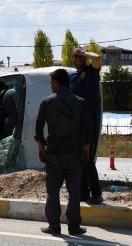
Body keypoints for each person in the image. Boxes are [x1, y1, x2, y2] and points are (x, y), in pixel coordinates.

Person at [35, 69, 92, 236]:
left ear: (56, 83)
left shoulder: (47, 102)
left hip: (54, 154)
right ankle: (74, 227)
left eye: (52, 82)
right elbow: (89, 127)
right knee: (74, 192)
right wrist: (86, 149)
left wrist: (41, 148)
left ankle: (54, 226)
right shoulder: (80, 102)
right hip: (74, 154)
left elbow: (38, 127)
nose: (51, 86)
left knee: (53, 192)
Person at [69, 46, 104, 204]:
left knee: (87, 157)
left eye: (80, 56)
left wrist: (83, 51)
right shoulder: (72, 78)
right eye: (75, 57)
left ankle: (96, 192)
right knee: (78, 158)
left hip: (90, 123)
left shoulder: (92, 72)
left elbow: (97, 58)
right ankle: (83, 192)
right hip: (76, 124)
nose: (78, 59)